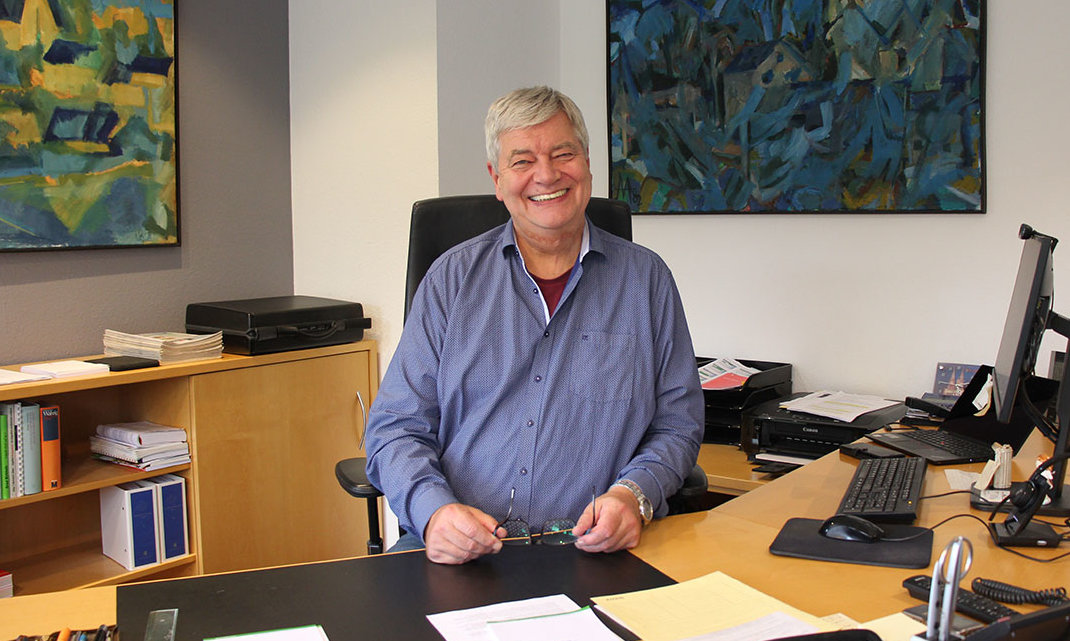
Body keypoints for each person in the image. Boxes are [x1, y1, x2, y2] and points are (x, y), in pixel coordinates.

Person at [364, 86, 703, 564]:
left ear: (587, 163)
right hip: (461, 556)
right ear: (497, 179)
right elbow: (395, 429)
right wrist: (433, 512)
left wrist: (634, 495)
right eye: (522, 161)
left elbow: (678, 425)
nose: (546, 174)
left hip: (593, 553)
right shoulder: (450, 281)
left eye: (563, 154)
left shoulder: (647, 281)